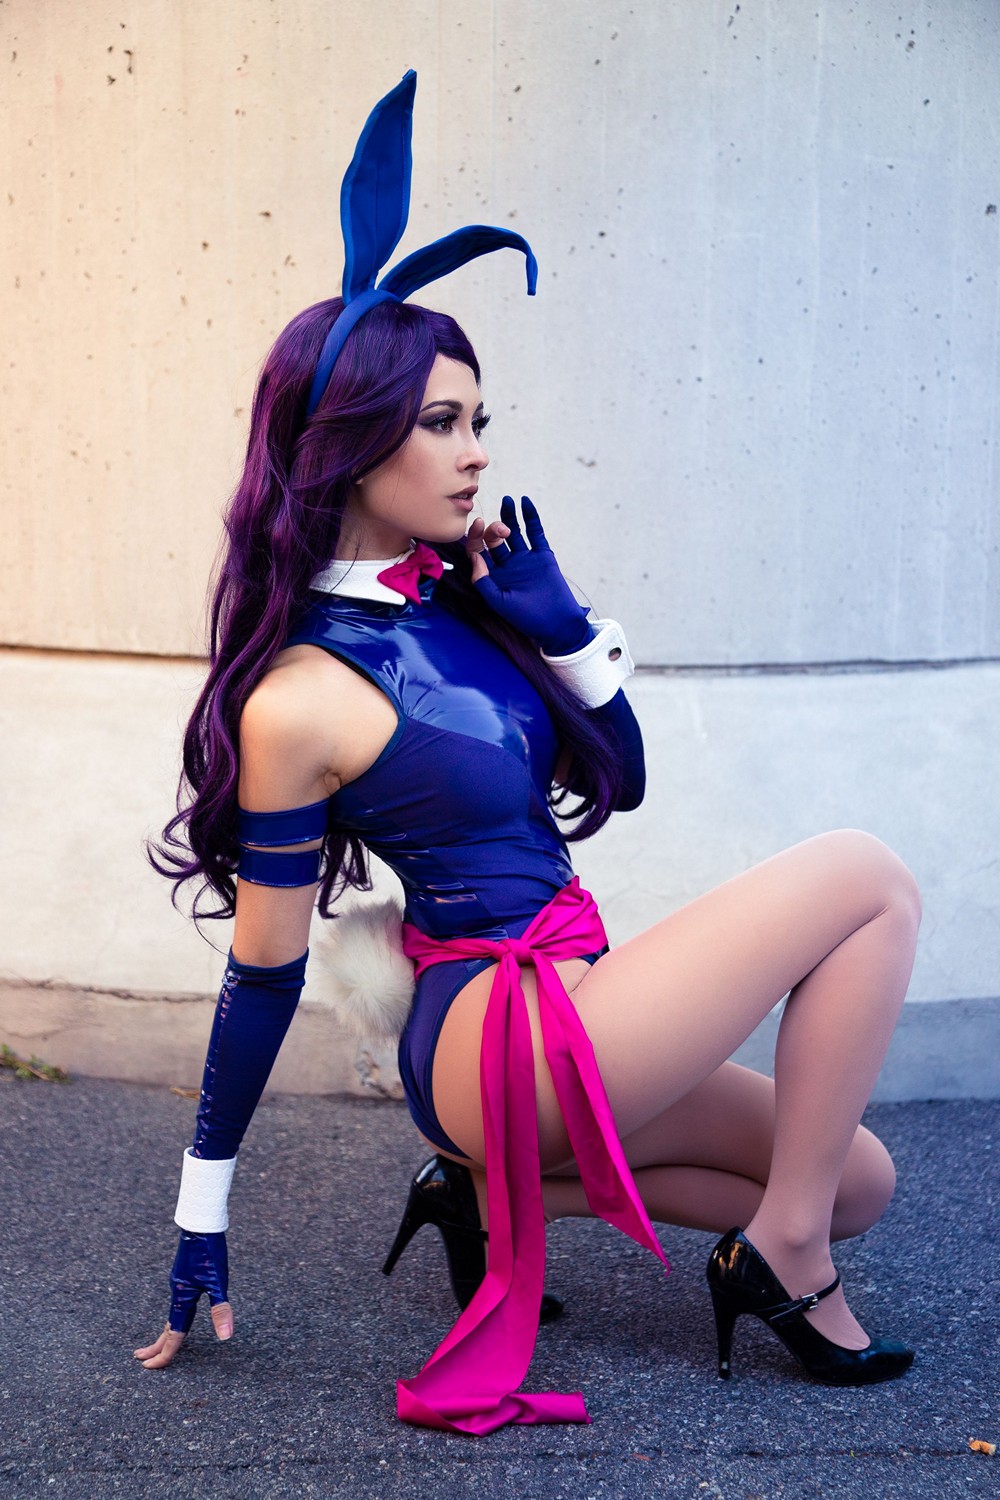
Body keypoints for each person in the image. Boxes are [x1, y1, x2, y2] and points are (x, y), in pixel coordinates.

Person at [134, 73, 921, 1435]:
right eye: (440, 423)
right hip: (493, 1032)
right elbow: (262, 973)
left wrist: (562, 631)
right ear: (346, 443)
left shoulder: (463, 597)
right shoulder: (299, 699)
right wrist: (201, 1212)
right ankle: (783, 1261)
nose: (472, 454)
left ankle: (501, 1200)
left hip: (579, 993)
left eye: (478, 422)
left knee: (857, 1179)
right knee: (868, 878)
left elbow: (623, 779)